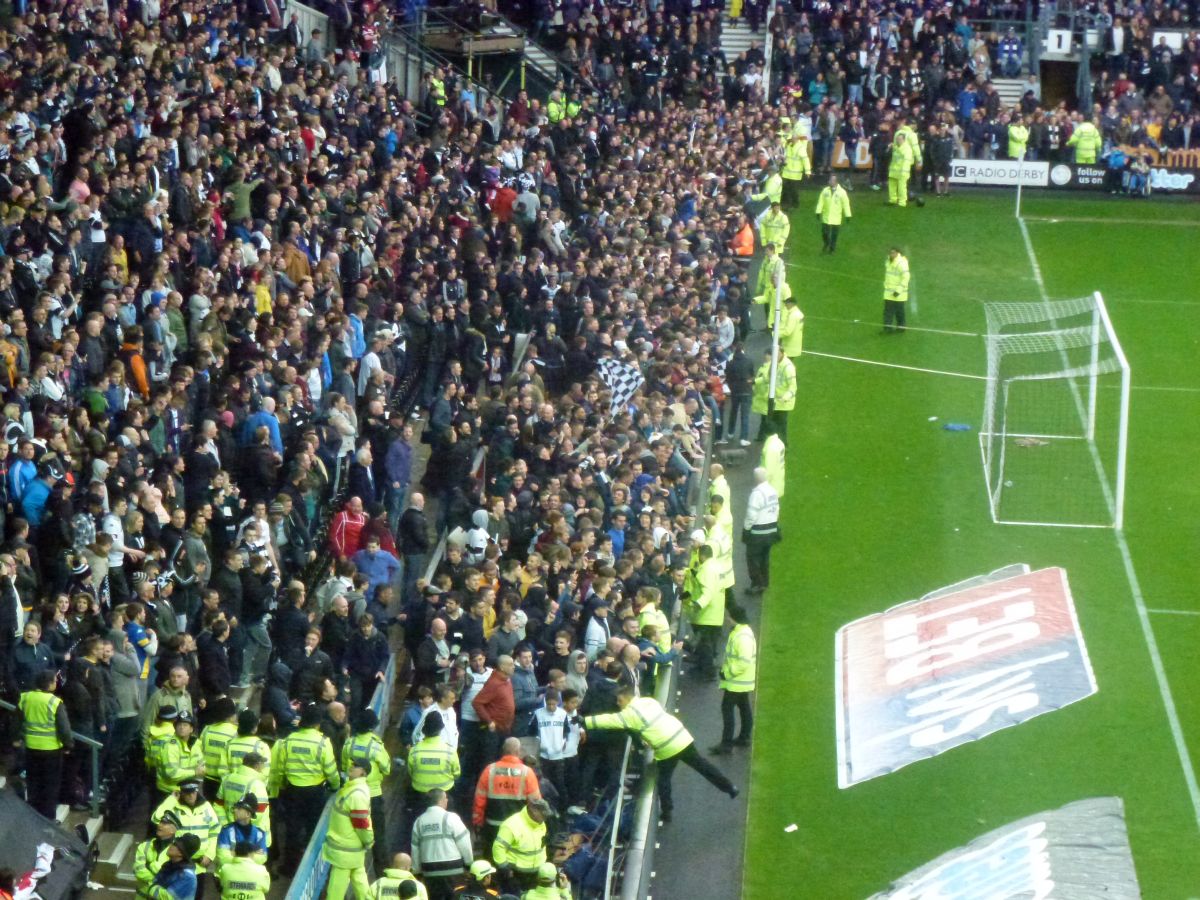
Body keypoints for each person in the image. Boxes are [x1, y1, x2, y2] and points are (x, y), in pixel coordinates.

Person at [582, 685, 737, 823]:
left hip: (666, 748)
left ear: (626, 699)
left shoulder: (628, 715)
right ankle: (729, 787)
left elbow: (608, 720)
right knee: (704, 767)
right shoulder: (649, 701)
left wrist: (585, 721)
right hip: (681, 736)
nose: (618, 704)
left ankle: (667, 811)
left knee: (664, 780)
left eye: (619, 701)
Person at [268, 705, 340, 874]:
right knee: (313, 829)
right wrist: (336, 786)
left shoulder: (288, 741)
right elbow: (330, 769)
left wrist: (277, 789)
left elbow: (278, 769)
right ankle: (312, 867)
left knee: (292, 830)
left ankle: (290, 866)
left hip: (292, 792)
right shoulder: (323, 743)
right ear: (318, 723)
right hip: (315, 793)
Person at [17, 669, 74, 819]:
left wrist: (16, 739)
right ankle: (48, 818)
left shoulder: (25, 697)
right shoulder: (54, 702)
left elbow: (16, 721)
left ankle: (33, 816)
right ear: (49, 684)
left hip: (31, 748)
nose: (56, 683)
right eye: (55, 681)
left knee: (33, 783)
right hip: (51, 751)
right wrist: (68, 745)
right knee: (50, 786)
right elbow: (64, 728)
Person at [341, 709, 392, 872]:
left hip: (353, 795)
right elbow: (387, 768)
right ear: (372, 727)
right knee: (378, 836)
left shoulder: (349, 744)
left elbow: (344, 767)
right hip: (373, 795)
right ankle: (381, 872)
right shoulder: (376, 747)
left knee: (354, 833)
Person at [473, 737, 541, 849]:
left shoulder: (489, 770)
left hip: (493, 828)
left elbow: (479, 801)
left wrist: (478, 824)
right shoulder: (527, 773)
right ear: (518, 752)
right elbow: (536, 804)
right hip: (518, 829)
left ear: (502, 751)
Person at [323, 758, 374, 900]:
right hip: (351, 850)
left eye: (356, 766)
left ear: (363, 772)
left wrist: (369, 841)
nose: (351, 767)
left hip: (345, 851)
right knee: (361, 885)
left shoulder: (356, 794)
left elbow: (362, 825)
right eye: (352, 764)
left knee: (334, 893)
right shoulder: (352, 789)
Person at [710, 604, 757, 755]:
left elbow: (743, 662)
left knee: (727, 709)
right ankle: (744, 737)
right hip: (742, 681)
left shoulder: (741, 636)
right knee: (744, 707)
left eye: (729, 616)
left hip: (736, 682)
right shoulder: (742, 632)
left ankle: (726, 744)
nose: (727, 619)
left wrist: (727, 673)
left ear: (734, 618)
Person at [411, 789, 473, 900]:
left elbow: (415, 849)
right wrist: (469, 863)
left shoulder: (419, 821)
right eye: (445, 798)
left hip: (430, 871)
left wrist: (417, 871)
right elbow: (464, 842)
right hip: (453, 870)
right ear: (440, 801)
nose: (447, 800)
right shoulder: (451, 817)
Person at [492, 798, 552, 893]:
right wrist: (505, 869)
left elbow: (541, 845)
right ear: (533, 811)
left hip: (535, 875)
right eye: (543, 815)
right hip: (516, 875)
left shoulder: (540, 823)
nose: (545, 818)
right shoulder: (511, 825)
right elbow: (498, 847)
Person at [743, 467, 781, 594]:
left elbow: (751, 515)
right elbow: (777, 510)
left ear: (755, 478)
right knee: (765, 557)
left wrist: (746, 529)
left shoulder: (757, 494)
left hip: (758, 533)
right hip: (771, 530)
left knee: (753, 559)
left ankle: (757, 584)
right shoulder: (773, 491)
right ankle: (765, 582)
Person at [752, 348, 796, 444]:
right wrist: (755, 381)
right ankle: (774, 444)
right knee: (772, 426)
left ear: (782, 353)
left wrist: (785, 398)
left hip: (783, 404)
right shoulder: (774, 364)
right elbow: (767, 378)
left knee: (781, 427)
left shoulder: (788, 367)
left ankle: (784, 447)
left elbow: (793, 387)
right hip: (775, 402)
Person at [135, 811, 183, 898]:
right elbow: (138, 871)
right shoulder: (144, 846)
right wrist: (159, 878)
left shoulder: (178, 851)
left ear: (173, 830)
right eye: (161, 822)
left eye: (165, 824)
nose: (160, 825)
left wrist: (150, 866)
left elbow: (173, 878)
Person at [148, 834, 200, 900]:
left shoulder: (187, 876)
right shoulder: (169, 865)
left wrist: (152, 888)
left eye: (175, 844)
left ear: (181, 853)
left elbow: (168, 897)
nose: (170, 845)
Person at [814, 175, 851, 254]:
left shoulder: (842, 192)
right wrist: (818, 211)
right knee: (824, 232)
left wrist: (848, 215)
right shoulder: (825, 191)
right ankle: (827, 243)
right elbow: (821, 202)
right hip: (826, 216)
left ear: (836, 182)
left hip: (836, 217)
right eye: (830, 180)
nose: (830, 181)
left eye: (832, 180)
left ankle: (832, 249)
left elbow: (846, 204)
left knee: (834, 235)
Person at [882, 247, 911, 333]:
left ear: (898, 253)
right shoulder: (888, 261)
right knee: (888, 312)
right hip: (889, 293)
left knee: (899, 311)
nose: (891, 254)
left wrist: (898, 291)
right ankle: (888, 329)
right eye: (890, 253)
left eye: (893, 253)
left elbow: (906, 277)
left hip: (898, 293)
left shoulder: (901, 263)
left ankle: (901, 327)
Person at [888, 131, 916, 207]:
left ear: (904, 140)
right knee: (892, 186)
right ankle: (893, 200)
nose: (898, 140)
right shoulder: (896, 147)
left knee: (901, 188)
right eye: (897, 139)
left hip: (902, 172)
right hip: (894, 171)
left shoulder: (907, 149)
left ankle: (902, 202)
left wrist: (904, 172)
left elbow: (907, 161)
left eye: (900, 139)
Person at [761, 433, 786, 499]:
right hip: (779, 483)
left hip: (771, 487)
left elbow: (769, 471)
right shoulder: (779, 442)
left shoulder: (771, 448)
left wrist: (762, 485)